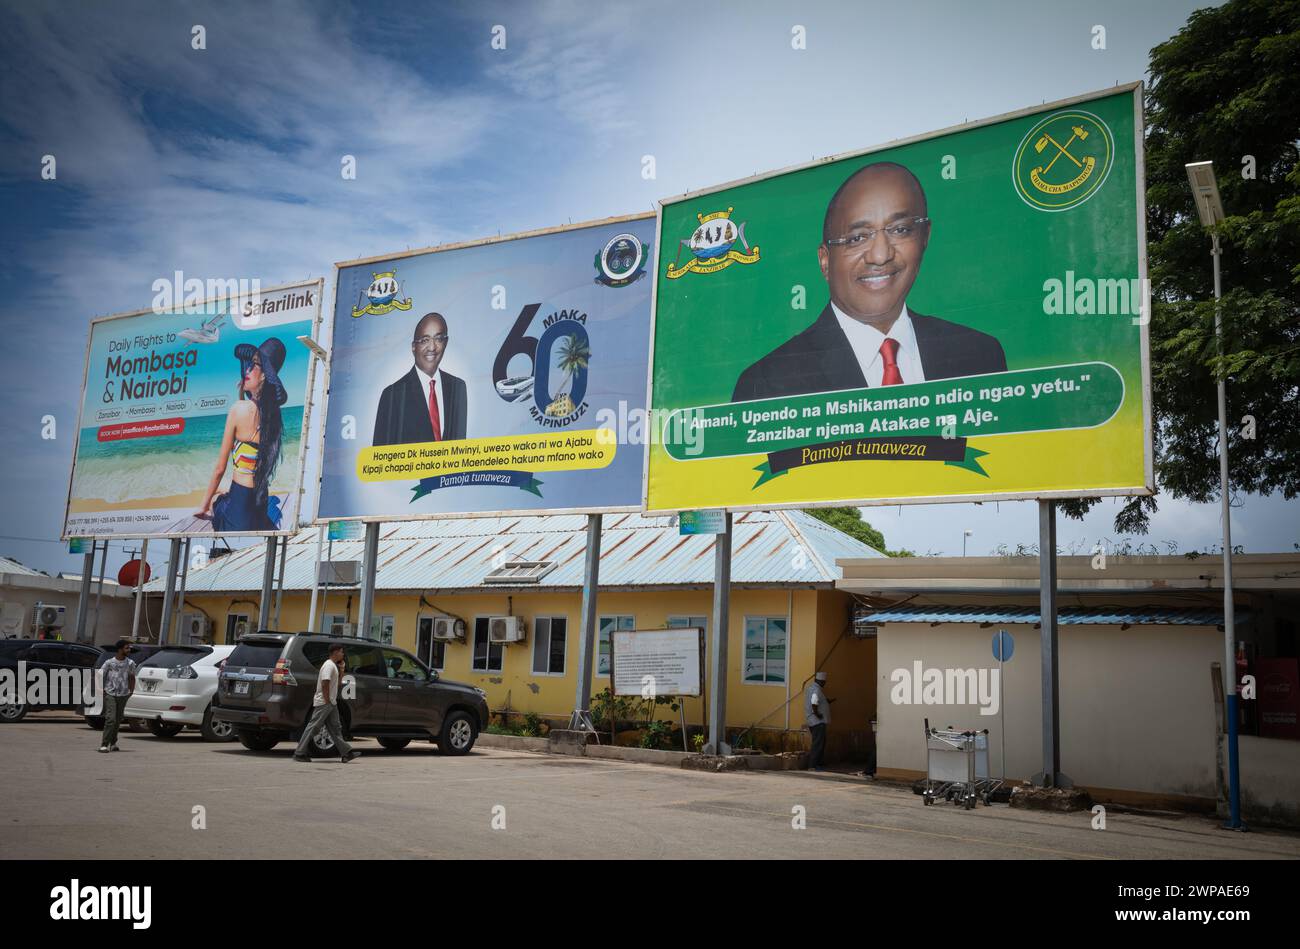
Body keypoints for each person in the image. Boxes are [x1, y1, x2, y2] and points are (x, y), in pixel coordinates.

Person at [733, 162, 1007, 402]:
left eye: (900, 230)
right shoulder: (767, 384)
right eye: (857, 238)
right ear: (825, 261)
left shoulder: (979, 355)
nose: (880, 255)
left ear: (924, 237)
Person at [195, 338, 288, 531]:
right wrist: (243, 393)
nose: (246, 370)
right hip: (258, 504)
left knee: (218, 504)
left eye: (253, 365)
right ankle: (226, 491)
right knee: (226, 493)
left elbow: (220, 468)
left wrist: (203, 506)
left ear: (264, 376)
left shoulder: (238, 410)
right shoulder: (273, 416)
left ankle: (223, 493)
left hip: (239, 511)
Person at [373, 312, 468, 446]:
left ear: (446, 343)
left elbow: (459, 448)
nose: (432, 347)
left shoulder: (458, 387)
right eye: (424, 340)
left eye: (439, 339)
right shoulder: (393, 394)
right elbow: (379, 456)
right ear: (413, 347)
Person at [293, 644, 360, 763]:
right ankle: (299, 753)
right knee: (313, 727)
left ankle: (346, 753)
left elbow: (337, 684)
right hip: (325, 702)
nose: (343, 654)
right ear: (335, 652)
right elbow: (325, 683)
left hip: (330, 702)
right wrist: (327, 701)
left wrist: (342, 670)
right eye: (341, 652)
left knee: (336, 728)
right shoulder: (328, 665)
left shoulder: (334, 666)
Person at [99, 638, 137, 753]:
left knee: (117, 720)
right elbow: (100, 675)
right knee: (111, 719)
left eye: (129, 648)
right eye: (126, 648)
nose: (129, 650)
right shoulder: (109, 663)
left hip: (124, 694)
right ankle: (104, 744)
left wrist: (131, 691)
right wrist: (101, 690)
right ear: (120, 649)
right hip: (110, 693)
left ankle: (113, 743)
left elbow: (132, 677)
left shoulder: (130, 663)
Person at [804, 670, 831, 771]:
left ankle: (817, 764)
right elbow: (814, 702)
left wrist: (826, 702)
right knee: (818, 744)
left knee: (819, 743)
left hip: (813, 721)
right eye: (824, 682)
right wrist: (817, 713)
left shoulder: (811, 688)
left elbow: (816, 701)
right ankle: (812, 765)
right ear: (821, 681)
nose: (824, 684)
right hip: (818, 722)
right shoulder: (817, 690)